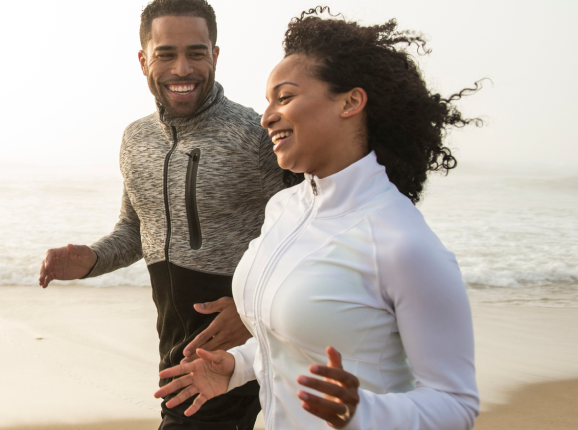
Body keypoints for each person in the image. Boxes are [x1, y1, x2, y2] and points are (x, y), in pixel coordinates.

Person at [155, 7, 483, 430]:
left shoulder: (403, 243)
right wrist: (236, 365)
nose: (266, 115)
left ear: (350, 102)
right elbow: (297, 335)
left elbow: (456, 405)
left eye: (285, 97)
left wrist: (364, 413)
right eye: (269, 100)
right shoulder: (283, 208)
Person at [38, 1, 301, 428]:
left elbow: (307, 235)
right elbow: (136, 228)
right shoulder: (136, 138)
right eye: (166, 54)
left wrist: (253, 310)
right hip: (175, 347)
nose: (182, 68)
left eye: (196, 53)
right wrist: (93, 259)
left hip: (241, 354)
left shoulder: (256, 136)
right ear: (144, 61)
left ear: (215, 55)